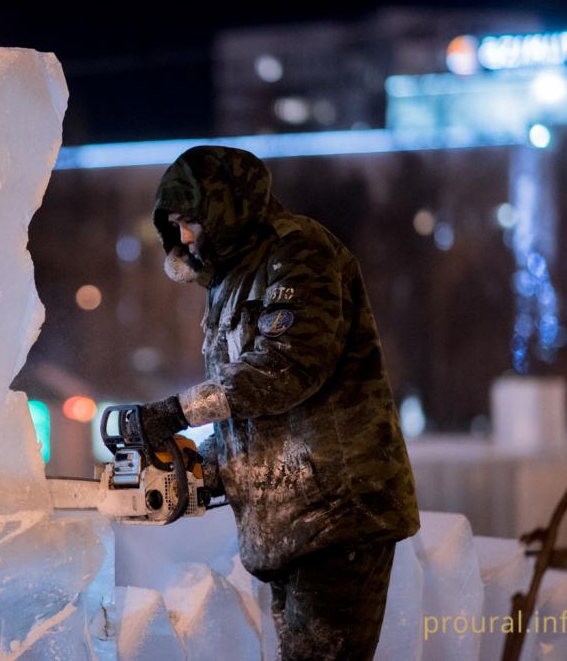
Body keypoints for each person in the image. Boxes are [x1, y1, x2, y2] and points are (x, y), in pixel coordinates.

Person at [137, 145, 420, 660]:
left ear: (222, 209)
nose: (183, 238)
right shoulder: (227, 283)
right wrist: (200, 470)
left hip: (338, 513)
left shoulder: (299, 251)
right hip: (289, 527)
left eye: (190, 221)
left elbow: (286, 368)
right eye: (174, 225)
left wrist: (176, 412)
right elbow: (249, 414)